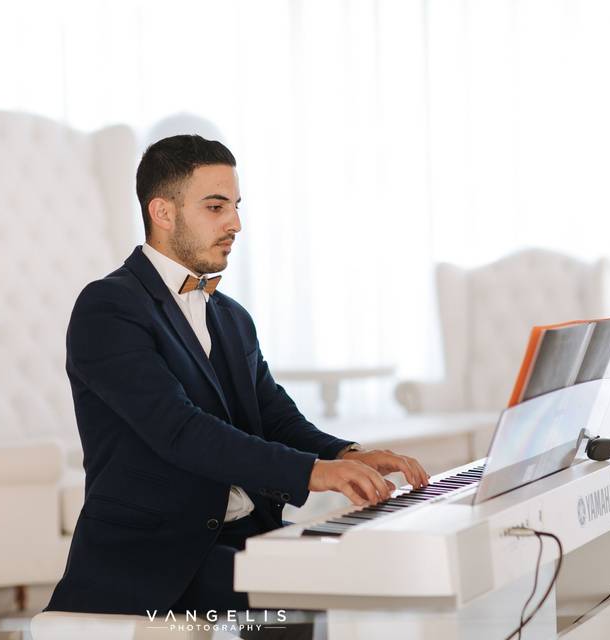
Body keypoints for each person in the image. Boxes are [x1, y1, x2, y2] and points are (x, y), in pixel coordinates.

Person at [45, 135, 430, 616]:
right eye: (215, 206)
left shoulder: (230, 316)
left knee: (370, 572)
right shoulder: (108, 308)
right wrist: (314, 473)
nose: (235, 223)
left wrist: (347, 453)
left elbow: (274, 417)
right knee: (338, 589)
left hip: (246, 539)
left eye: (235, 206)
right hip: (160, 562)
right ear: (162, 213)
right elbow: (181, 432)